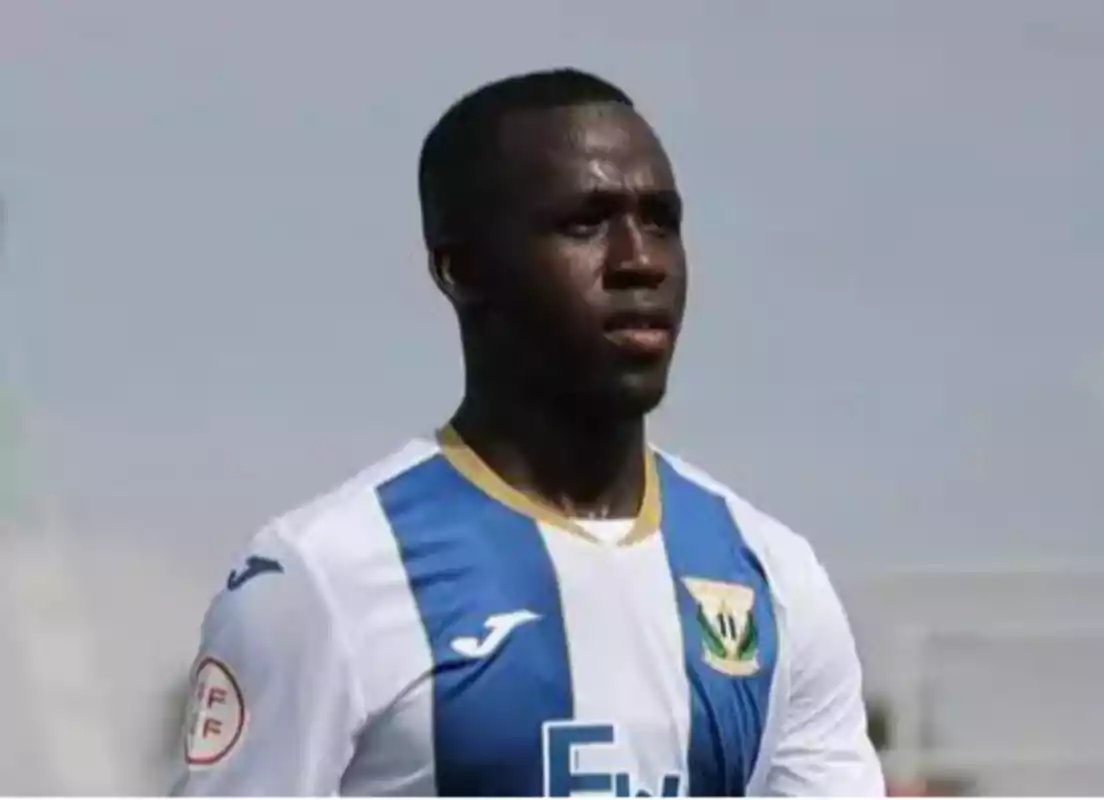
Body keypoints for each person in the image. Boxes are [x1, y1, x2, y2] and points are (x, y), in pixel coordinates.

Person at [172, 67, 884, 797]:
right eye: (585, 223)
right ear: (461, 268)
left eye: (661, 220)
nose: (639, 261)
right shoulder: (322, 578)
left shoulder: (769, 575)